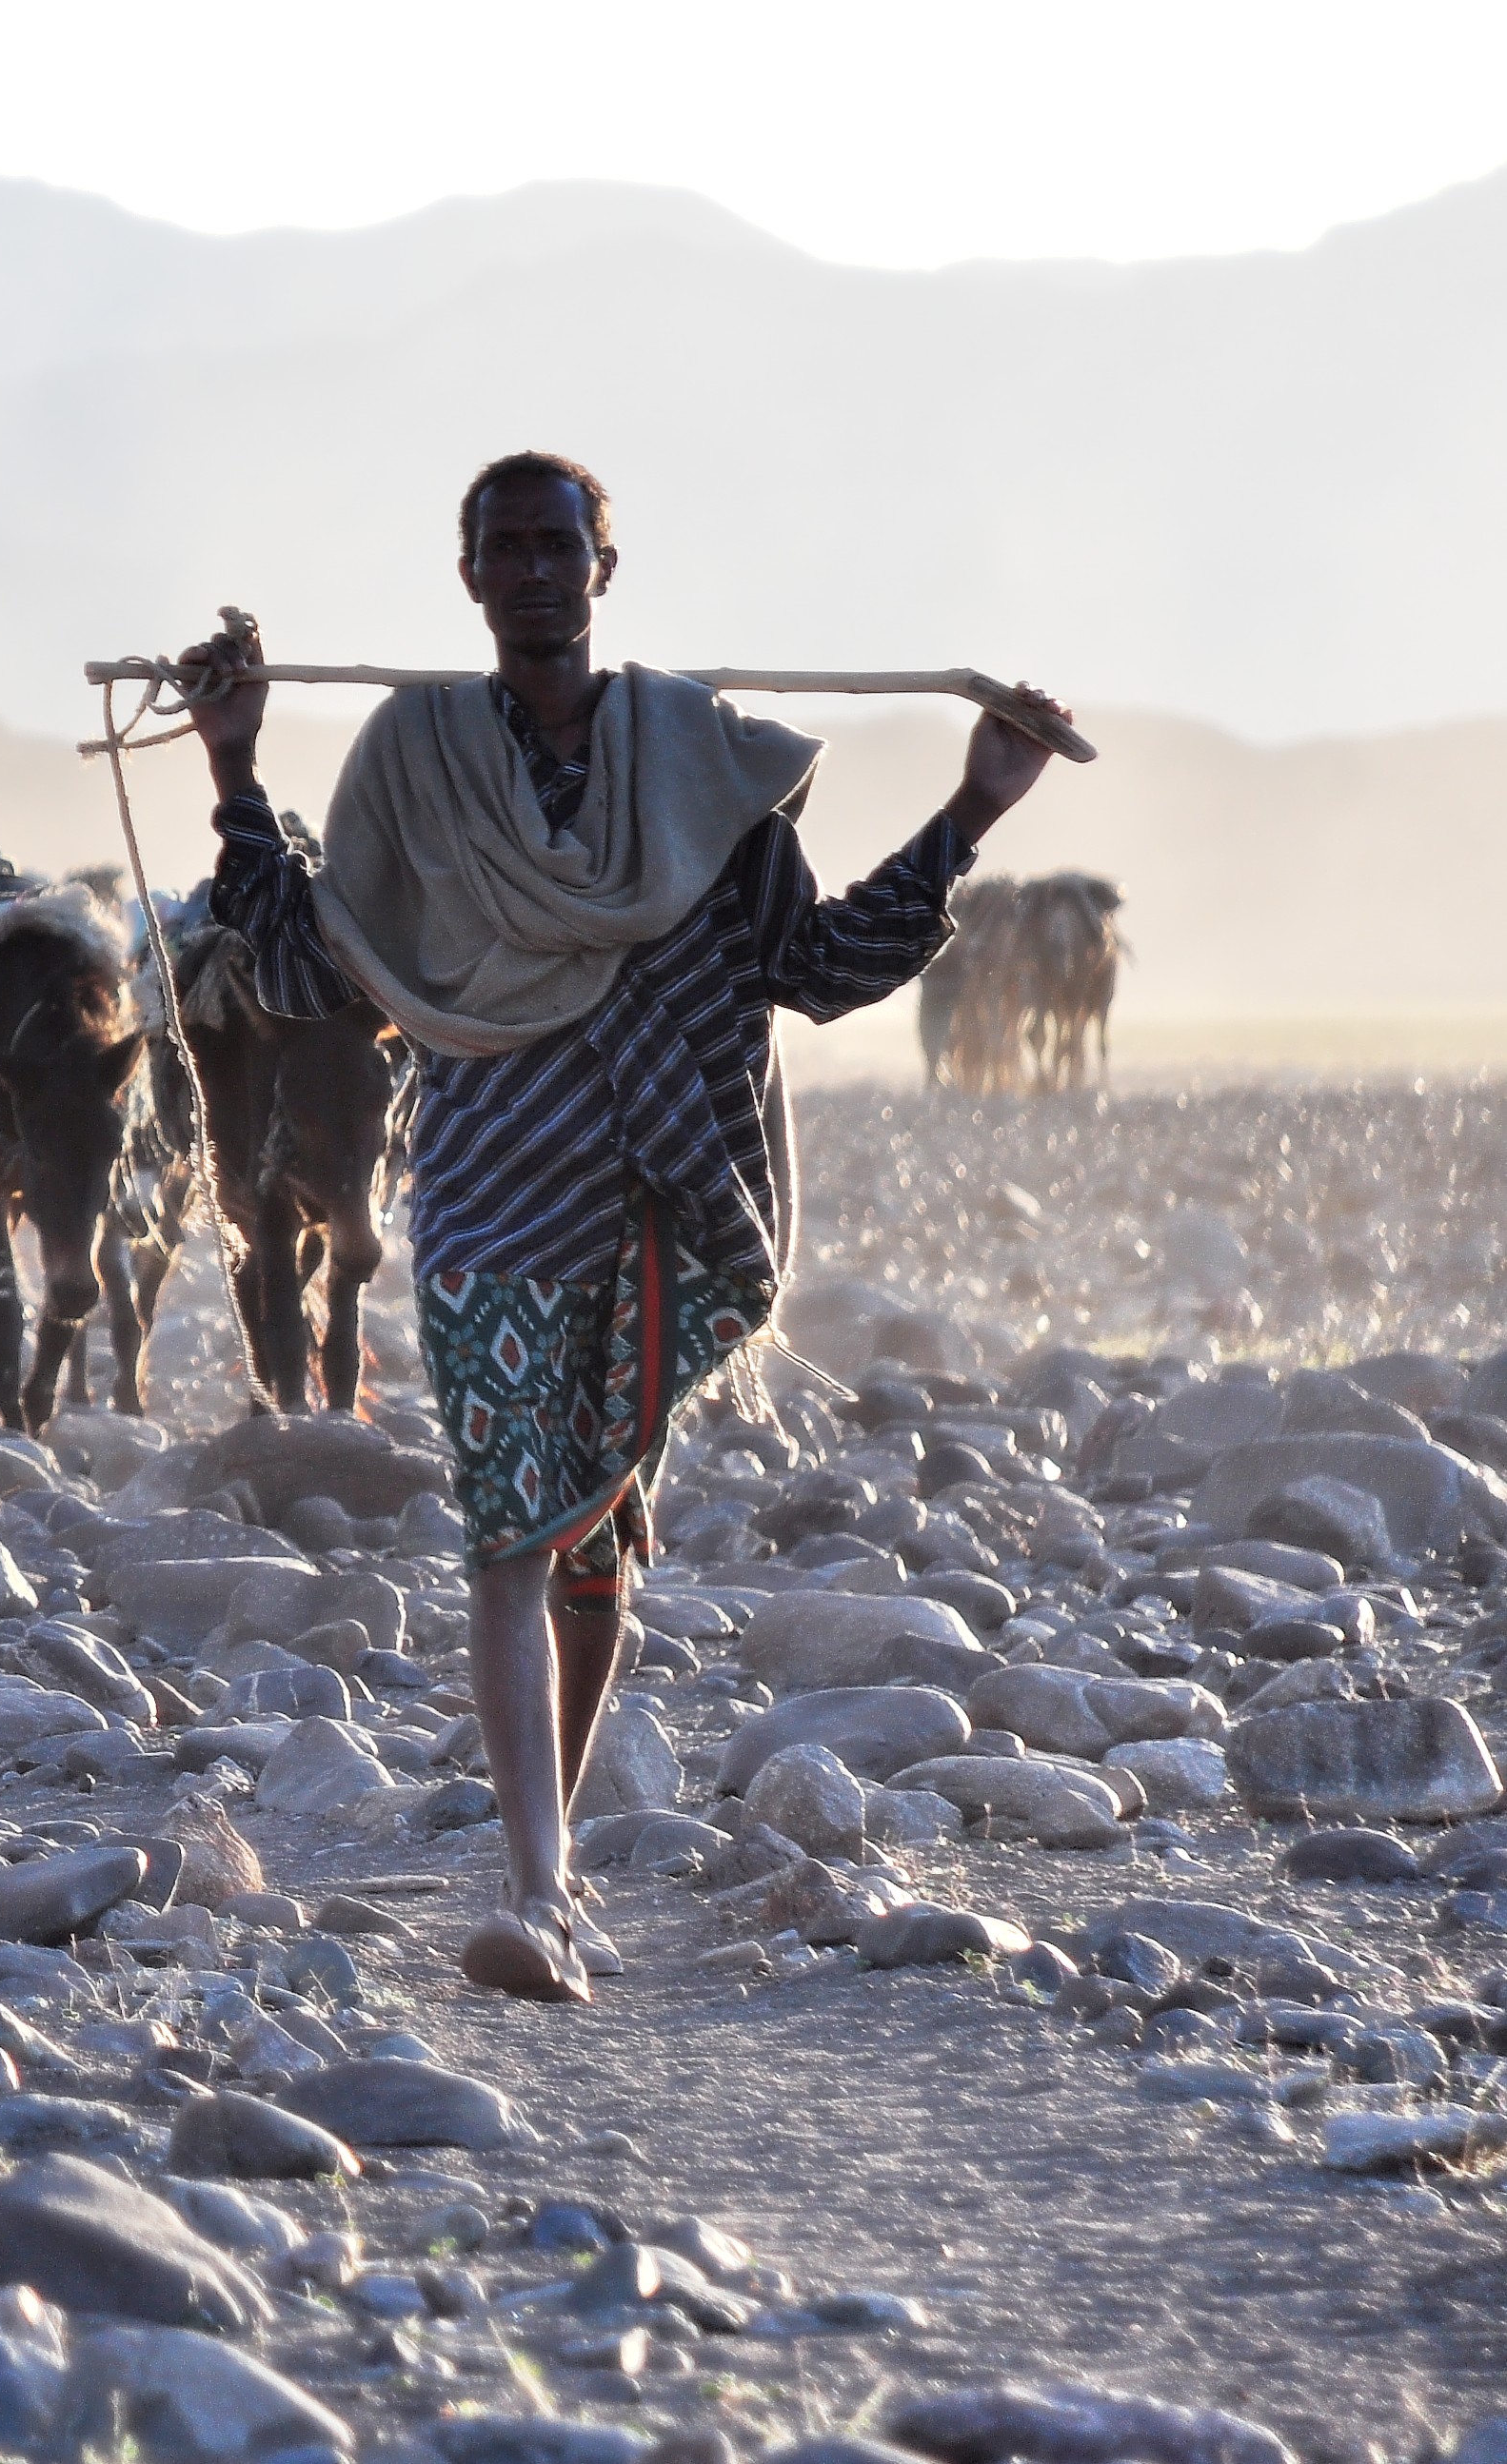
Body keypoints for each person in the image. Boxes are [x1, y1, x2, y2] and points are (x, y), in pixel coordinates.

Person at [175, 452, 1066, 2004]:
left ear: (601, 566)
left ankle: (555, 1857)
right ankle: (533, 1889)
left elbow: (818, 963)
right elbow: (310, 968)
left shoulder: (696, 774)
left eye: (555, 544)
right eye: (501, 546)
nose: (528, 569)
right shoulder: (414, 768)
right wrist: (233, 769)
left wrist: (970, 810)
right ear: (467, 578)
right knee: (510, 1533)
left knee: (585, 1546)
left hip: (665, 1201)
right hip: (484, 1203)